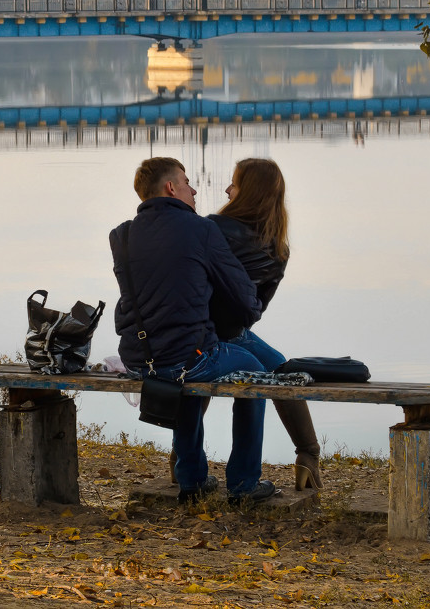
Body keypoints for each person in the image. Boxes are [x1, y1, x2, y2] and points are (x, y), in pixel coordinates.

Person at [109, 156, 277, 505]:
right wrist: (251, 309)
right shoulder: (201, 229)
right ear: (171, 188)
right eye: (187, 182)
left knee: (183, 365)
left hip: (139, 358)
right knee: (257, 373)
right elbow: (242, 295)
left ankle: (192, 481)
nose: (195, 189)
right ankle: (244, 484)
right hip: (185, 357)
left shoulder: (121, 235)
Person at [208, 157, 322, 491]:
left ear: (249, 192)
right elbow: (255, 310)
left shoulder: (211, 229)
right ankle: (308, 457)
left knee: (267, 372)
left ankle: (183, 461)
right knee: (282, 373)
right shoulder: (278, 248)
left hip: (200, 330)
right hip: (233, 332)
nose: (227, 189)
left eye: (235, 183)